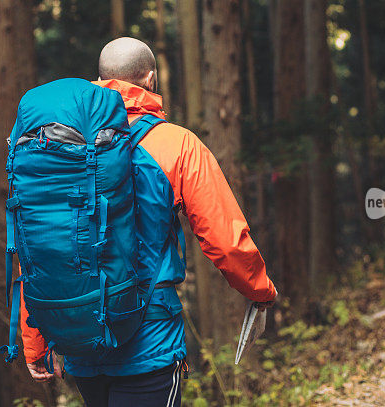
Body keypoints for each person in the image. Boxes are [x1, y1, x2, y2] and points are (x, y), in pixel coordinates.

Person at [20, 37, 277, 407]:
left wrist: (35, 342)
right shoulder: (177, 144)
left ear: (101, 80)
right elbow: (225, 241)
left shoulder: (63, 150)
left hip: (81, 339)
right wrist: (260, 290)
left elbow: (39, 245)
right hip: (149, 338)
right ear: (151, 79)